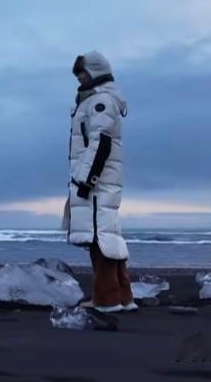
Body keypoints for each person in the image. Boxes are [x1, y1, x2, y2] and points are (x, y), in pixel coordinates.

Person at [62, 51, 134, 313]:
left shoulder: (99, 101)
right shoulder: (100, 100)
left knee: (99, 238)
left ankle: (106, 299)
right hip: (104, 179)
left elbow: (100, 142)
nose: (79, 78)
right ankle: (123, 296)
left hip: (97, 181)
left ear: (94, 71)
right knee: (109, 234)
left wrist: (86, 179)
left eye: (82, 72)